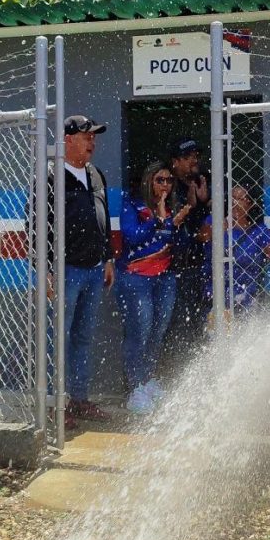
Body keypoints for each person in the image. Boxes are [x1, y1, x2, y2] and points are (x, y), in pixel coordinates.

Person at [48, 115, 115, 425]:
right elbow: (36, 225)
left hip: (93, 269)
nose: (92, 142)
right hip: (65, 271)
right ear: (68, 140)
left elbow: (104, 218)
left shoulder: (96, 175)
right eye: (87, 136)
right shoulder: (50, 177)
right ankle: (55, 403)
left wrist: (109, 258)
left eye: (94, 136)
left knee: (83, 338)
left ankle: (79, 400)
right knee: (58, 338)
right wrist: (46, 269)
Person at [115, 161, 190, 413]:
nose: (165, 185)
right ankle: (134, 388)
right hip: (136, 277)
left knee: (158, 331)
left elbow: (175, 242)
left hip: (164, 277)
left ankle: (147, 381)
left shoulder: (171, 207)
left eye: (169, 180)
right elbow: (133, 236)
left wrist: (176, 224)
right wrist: (157, 220)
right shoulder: (132, 204)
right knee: (139, 332)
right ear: (149, 181)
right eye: (160, 180)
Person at [209, 185, 270, 313]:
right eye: (232, 198)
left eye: (240, 199)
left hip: (244, 297)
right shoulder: (216, 223)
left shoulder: (258, 232)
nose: (234, 203)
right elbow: (201, 236)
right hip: (215, 295)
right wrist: (218, 228)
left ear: (250, 204)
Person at [166, 138, 211, 353]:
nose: (194, 160)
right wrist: (191, 206)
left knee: (199, 321)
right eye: (188, 157)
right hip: (172, 267)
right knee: (173, 323)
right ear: (175, 161)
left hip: (199, 264)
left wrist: (204, 201)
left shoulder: (202, 182)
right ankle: (171, 369)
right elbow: (169, 226)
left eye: (196, 156)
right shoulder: (166, 185)